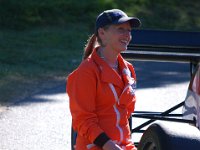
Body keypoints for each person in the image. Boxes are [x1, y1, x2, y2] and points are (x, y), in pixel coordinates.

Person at [66, 9, 141, 150]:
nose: (127, 35)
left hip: (125, 146)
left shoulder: (128, 69)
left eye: (129, 30)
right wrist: (110, 146)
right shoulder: (86, 71)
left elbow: (127, 112)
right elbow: (83, 120)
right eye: (121, 29)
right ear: (102, 33)